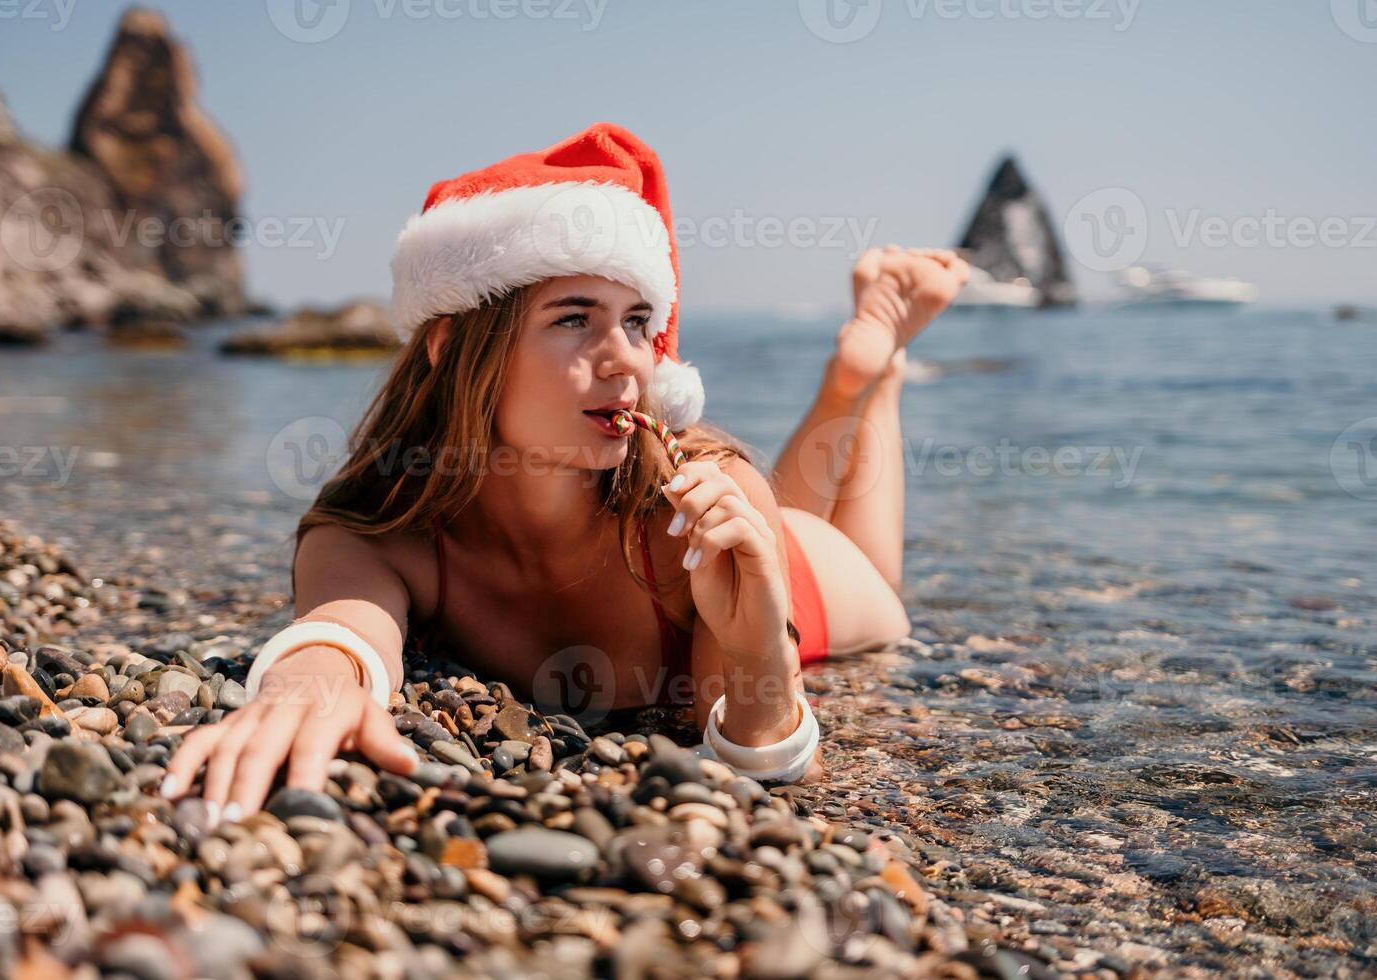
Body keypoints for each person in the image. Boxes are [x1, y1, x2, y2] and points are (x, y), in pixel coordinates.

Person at [161, 122, 968, 824]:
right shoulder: (381, 526)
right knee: (771, 515)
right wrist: (306, 688)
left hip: (813, 588)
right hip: (747, 539)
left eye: (637, 321)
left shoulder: (687, 497)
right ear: (450, 348)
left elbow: (768, 769)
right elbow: (339, 630)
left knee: (868, 577)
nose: (625, 359)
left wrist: (760, 651)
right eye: (573, 318)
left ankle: (871, 377)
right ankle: (863, 376)